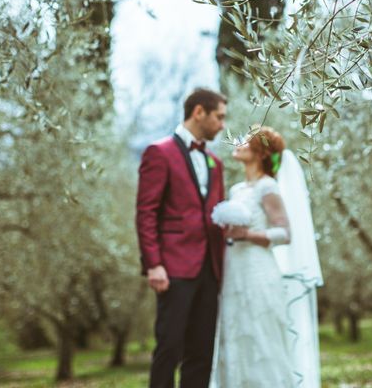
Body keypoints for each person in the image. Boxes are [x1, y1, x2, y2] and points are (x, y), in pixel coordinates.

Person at [211, 126, 323, 388]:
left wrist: (247, 235)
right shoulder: (238, 189)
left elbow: (285, 233)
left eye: (246, 142)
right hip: (233, 271)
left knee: (260, 337)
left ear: (260, 153)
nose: (238, 144)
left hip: (258, 271)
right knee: (234, 335)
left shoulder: (267, 187)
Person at [136, 88, 227, 388]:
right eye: (219, 117)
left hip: (210, 270)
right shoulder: (158, 152)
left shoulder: (216, 162)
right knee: (169, 348)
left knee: (201, 352)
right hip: (173, 268)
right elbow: (146, 213)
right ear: (199, 112)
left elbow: (216, 213)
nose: (222, 125)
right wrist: (154, 264)